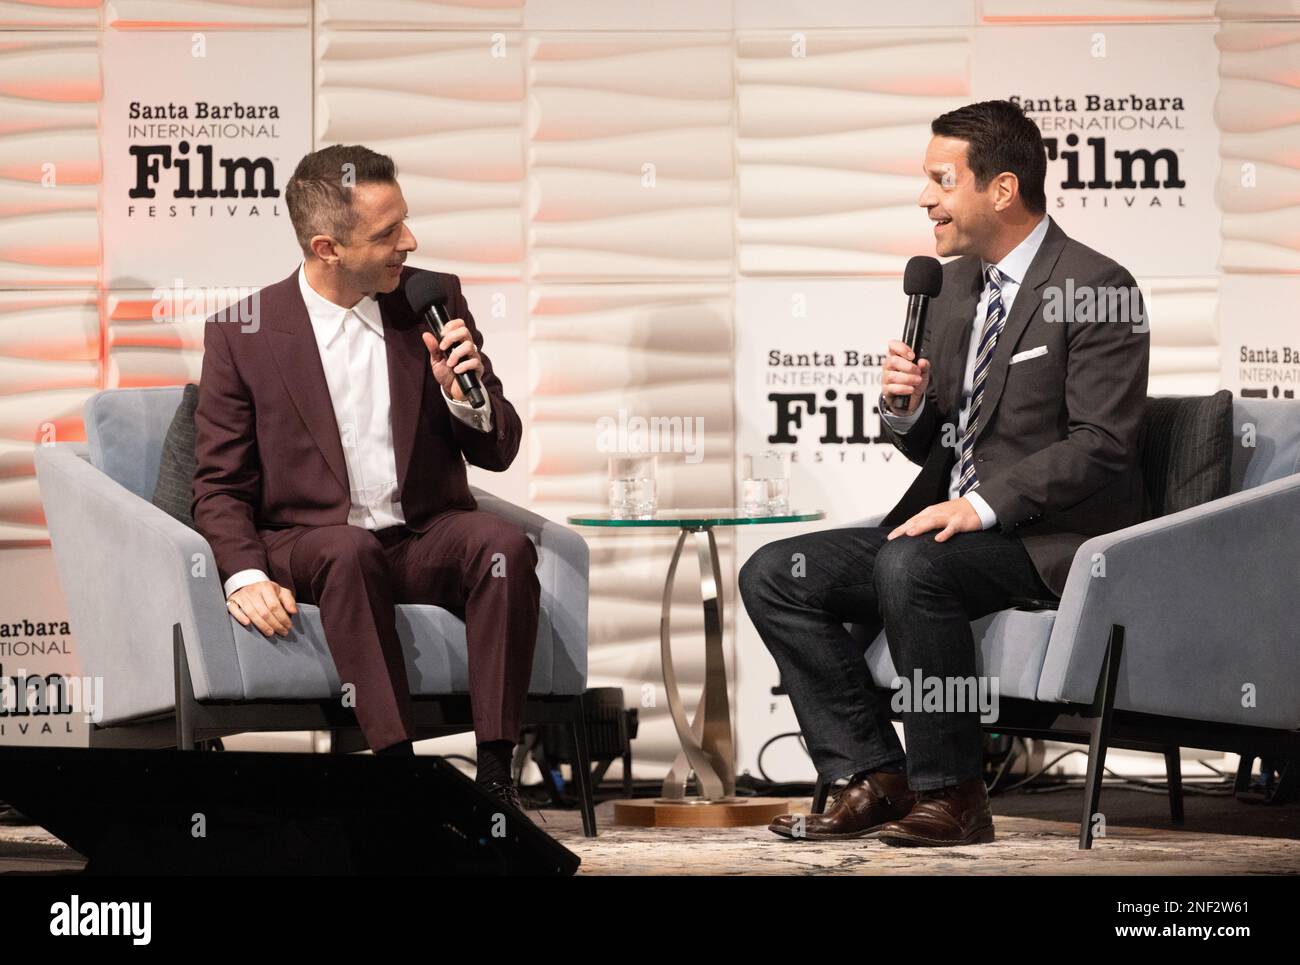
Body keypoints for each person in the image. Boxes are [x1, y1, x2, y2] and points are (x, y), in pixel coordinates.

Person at [741, 100, 1150, 847]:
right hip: (948, 527)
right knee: (774, 572)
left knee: (911, 564)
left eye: (941, 179)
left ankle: (954, 793)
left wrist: (984, 505)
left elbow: (1104, 443)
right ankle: (873, 770)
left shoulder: (1098, 285)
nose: (925, 198)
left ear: (1000, 188)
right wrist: (904, 410)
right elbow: (939, 437)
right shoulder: (953, 286)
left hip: (1056, 538)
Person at [191, 144, 538, 813]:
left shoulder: (430, 300)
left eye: (405, 221)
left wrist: (465, 397)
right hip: (314, 543)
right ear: (328, 247)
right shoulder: (244, 333)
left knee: (502, 546)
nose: (409, 241)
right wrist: (243, 573)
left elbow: (500, 450)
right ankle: (398, 777)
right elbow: (220, 483)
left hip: (420, 537)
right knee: (349, 550)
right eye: (387, 233)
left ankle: (497, 779)